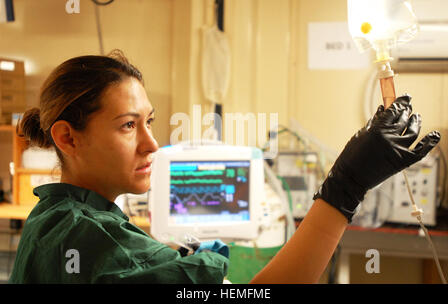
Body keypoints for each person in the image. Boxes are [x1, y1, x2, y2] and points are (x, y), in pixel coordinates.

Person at [9, 50, 440, 284]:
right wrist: (345, 187)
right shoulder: (79, 233)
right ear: (68, 137)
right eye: (127, 126)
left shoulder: (63, 218)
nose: (151, 143)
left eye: (150, 122)